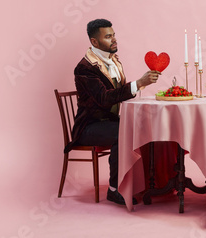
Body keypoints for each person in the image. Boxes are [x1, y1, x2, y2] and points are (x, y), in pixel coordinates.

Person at [64, 19, 161, 205]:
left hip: (109, 121)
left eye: (113, 34)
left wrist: (139, 92)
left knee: (145, 126)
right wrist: (138, 84)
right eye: (108, 37)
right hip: (88, 127)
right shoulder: (84, 68)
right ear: (94, 42)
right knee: (121, 132)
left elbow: (118, 92)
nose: (114, 39)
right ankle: (114, 189)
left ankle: (148, 182)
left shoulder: (113, 61)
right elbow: (104, 98)